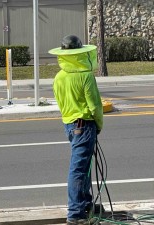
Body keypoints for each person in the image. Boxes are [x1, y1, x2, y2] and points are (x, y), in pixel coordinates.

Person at [49, 35, 103, 225]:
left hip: (70, 125)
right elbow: (95, 106)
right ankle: (75, 213)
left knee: (85, 166)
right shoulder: (85, 76)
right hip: (85, 124)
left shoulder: (59, 77)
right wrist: (99, 125)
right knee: (79, 169)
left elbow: (61, 103)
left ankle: (85, 203)